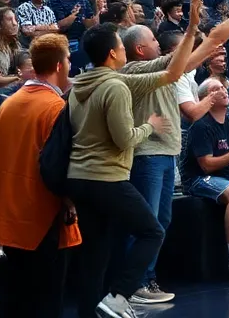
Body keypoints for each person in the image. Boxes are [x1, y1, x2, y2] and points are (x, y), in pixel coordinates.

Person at [65, 18, 195, 318]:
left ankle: (90, 310)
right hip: (107, 176)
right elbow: (124, 139)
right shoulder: (116, 86)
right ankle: (121, 294)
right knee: (151, 231)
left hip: (78, 177)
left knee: (95, 251)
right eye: (121, 46)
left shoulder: (79, 85)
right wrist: (148, 127)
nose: (124, 50)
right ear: (112, 53)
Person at [0, 34, 79, 318]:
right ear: (60, 65)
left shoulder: (10, 102)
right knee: (45, 298)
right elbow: (55, 166)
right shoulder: (55, 107)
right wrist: (69, 201)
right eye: (69, 60)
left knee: (15, 292)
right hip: (42, 215)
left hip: (10, 213)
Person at [178, 77, 229, 270]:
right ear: (206, 98)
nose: (224, 90)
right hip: (198, 178)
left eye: (223, 87)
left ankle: (227, 239)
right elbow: (206, 165)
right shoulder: (200, 125)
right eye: (216, 89)